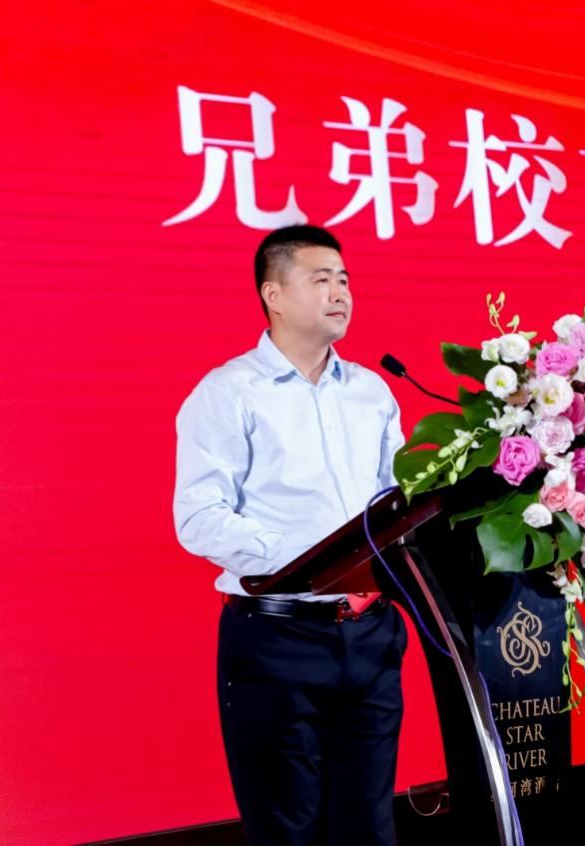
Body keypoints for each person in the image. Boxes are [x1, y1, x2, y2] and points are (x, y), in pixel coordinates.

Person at [173, 224, 407, 845]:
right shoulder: (229, 393)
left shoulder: (373, 391)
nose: (340, 293)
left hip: (370, 635)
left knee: (369, 826)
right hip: (277, 639)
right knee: (288, 831)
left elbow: (395, 502)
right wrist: (306, 561)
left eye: (345, 280)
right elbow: (198, 516)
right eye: (320, 279)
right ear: (272, 295)